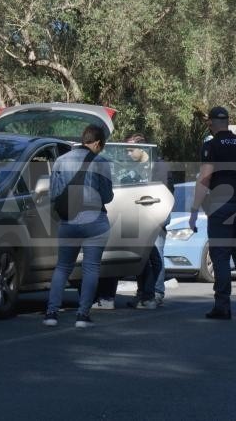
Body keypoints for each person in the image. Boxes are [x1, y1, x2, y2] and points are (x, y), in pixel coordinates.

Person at [189, 106, 236, 320]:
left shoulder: (210, 145)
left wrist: (194, 210)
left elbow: (205, 178)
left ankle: (222, 306)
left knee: (221, 256)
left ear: (211, 124)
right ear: (228, 122)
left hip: (221, 205)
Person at [92, 133, 173, 310]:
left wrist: (159, 218)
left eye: (130, 150)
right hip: (133, 217)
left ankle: (153, 294)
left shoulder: (158, 166)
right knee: (125, 253)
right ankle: (140, 295)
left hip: (154, 216)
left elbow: (162, 193)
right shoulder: (130, 166)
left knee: (154, 256)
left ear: (141, 148)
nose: (128, 154)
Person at [43, 125, 114, 328]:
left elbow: (54, 195)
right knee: (91, 268)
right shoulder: (101, 162)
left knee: (63, 267)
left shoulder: (61, 160)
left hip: (68, 222)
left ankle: (51, 314)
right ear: (98, 143)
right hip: (95, 222)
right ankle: (82, 316)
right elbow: (107, 197)